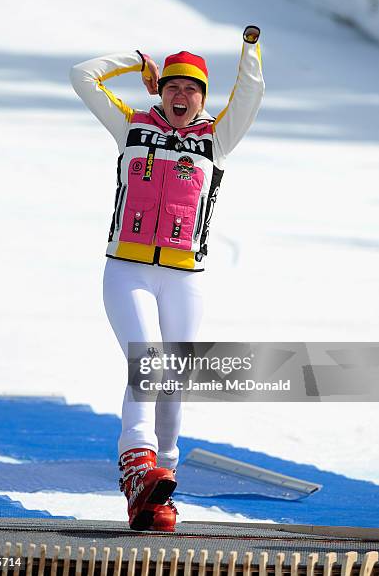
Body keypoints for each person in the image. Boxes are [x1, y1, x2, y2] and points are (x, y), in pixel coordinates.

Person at [70, 26, 264, 532]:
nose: (182, 96)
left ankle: (159, 489)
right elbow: (82, 77)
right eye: (173, 86)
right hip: (127, 270)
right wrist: (135, 62)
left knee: (174, 379)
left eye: (192, 89)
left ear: (203, 98)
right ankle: (137, 464)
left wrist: (249, 47)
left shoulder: (215, 139)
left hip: (184, 277)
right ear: (161, 90)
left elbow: (252, 93)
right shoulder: (130, 126)